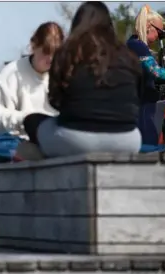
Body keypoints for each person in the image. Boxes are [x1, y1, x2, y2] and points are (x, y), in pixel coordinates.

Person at [23, 1, 143, 157]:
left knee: (32, 121)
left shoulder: (67, 53)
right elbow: (139, 97)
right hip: (127, 141)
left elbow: (55, 101)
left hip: (76, 140)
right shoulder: (128, 56)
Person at [0, 22, 64, 137]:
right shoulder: (12, 72)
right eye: (46, 52)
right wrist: (22, 119)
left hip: (55, 138)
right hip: (22, 138)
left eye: (55, 53)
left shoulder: (65, 74)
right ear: (33, 46)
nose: (50, 59)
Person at [127, 5, 165, 104]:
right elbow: (155, 72)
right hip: (142, 105)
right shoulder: (139, 47)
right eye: (159, 31)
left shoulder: (132, 43)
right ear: (148, 27)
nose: (159, 35)